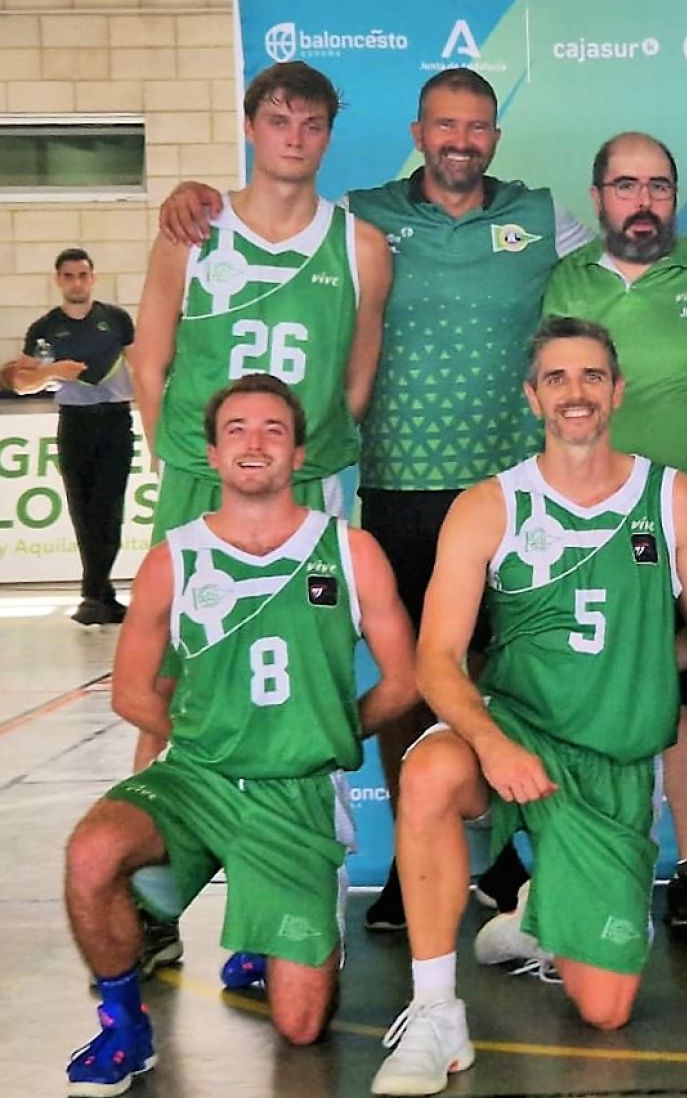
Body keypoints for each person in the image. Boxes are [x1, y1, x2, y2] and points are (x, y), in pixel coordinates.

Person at [159, 66, 593, 932]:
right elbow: (274, 213)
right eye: (444, 126)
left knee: (508, 677)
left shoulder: (541, 217)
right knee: (416, 681)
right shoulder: (362, 217)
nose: (460, 141)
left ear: (495, 137)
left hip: (511, 495)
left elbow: (627, 249)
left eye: (477, 126)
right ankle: (413, 855)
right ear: (418, 133)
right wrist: (191, 197)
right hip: (399, 484)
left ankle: (509, 858)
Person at [370, 317, 687, 1098]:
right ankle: (434, 1013)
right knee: (429, 772)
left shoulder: (670, 497)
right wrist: (491, 743)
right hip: (516, 736)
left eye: (592, 376)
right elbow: (435, 659)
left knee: (606, 1011)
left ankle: (540, 917)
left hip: (611, 764)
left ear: (617, 391)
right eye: (558, 378)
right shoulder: (490, 504)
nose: (576, 392)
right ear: (532, 396)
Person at [63, 375, 415, 1098]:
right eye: (237, 430)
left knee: (301, 1026)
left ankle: (279, 923)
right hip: (197, 780)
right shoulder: (174, 558)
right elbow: (131, 690)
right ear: (213, 454)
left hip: (294, 794)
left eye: (273, 430)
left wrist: (318, 734)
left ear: (300, 454)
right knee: (91, 852)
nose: (255, 443)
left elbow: (404, 680)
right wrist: (221, 740)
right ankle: (124, 1029)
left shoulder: (350, 551)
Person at [539, 132, 687, 942]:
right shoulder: (564, 280)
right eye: (626, 186)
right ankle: (607, 861)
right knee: (600, 696)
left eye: (659, 186)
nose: (644, 201)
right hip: (592, 531)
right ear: (598, 195)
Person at [129, 60, 389, 540]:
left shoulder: (361, 246)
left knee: (312, 593)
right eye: (278, 122)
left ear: (328, 137)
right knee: (186, 592)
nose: (295, 139)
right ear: (249, 128)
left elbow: (356, 382)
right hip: (197, 473)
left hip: (306, 477)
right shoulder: (191, 232)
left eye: (311, 125)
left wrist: (306, 447)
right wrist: (169, 459)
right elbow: (148, 363)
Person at [7, 248, 137, 625]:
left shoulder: (115, 320)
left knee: (109, 509)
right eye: (69, 276)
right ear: (58, 280)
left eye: (83, 275)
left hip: (115, 421)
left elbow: (142, 365)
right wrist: (53, 372)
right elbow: (21, 381)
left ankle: (92, 595)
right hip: (75, 423)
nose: (77, 282)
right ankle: (101, 596)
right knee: (83, 511)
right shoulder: (45, 328)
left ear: (93, 278)